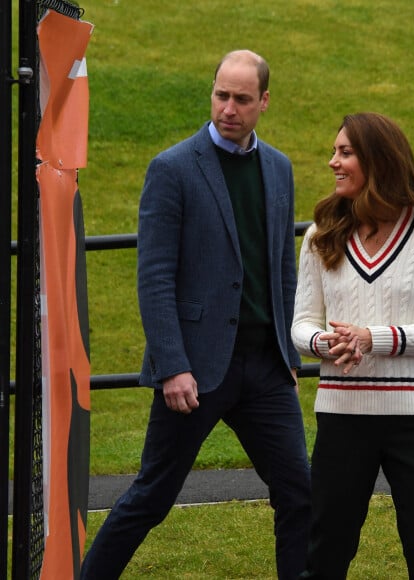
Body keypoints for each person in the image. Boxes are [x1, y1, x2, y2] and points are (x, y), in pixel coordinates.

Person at [81, 50, 311, 580]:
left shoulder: (278, 168)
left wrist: (289, 352)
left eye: (242, 99)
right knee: (153, 497)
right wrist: (172, 365)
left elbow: (282, 267)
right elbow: (154, 276)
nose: (228, 108)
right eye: (220, 95)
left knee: (300, 490)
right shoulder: (172, 169)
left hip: (266, 368)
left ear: (264, 102)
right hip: (195, 369)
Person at [291, 112, 414, 579]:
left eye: (345, 153)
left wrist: (371, 339)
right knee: (326, 553)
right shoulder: (320, 234)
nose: (333, 162)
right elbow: (301, 326)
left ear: (378, 160)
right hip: (342, 417)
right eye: (335, 151)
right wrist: (330, 343)